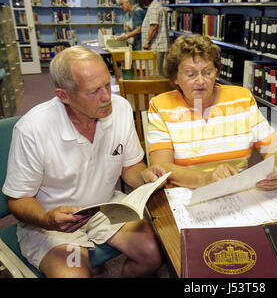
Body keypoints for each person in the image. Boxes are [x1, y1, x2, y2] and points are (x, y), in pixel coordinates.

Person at [2, 46, 166, 278]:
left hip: (105, 208)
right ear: (64, 96)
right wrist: (47, 220)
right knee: (74, 274)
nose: (107, 96)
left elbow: (130, 167)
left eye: (107, 85)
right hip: (52, 223)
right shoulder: (33, 129)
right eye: (94, 91)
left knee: (153, 254)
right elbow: (18, 199)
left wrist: (144, 177)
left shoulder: (119, 109)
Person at [147, 34, 277, 190]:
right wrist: (206, 179)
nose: (200, 81)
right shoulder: (161, 105)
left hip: (239, 192)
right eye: (191, 74)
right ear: (175, 78)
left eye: (207, 72)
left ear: (217, 72)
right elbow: (161, 166)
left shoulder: (241, 98)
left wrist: (273, 168)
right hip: (186, 195)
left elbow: (275, 145)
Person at [137, 0, 170, 76]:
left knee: (154, 74)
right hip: (158, 46)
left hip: (156, 46)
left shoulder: (153, 8)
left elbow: (154, 26)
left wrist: (147, 42)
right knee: (158, 72)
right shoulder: (156, 5)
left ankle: (158, 90)